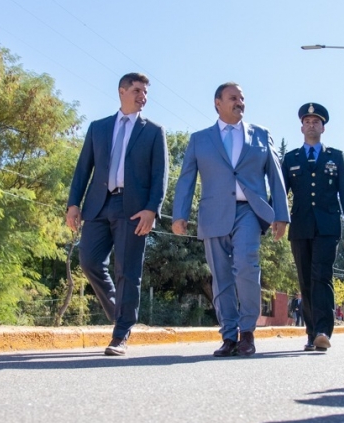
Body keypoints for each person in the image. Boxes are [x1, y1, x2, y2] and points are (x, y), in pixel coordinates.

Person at [172, 82, 289, 358]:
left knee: (246, 265)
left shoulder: (261, 135)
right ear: (218, 103)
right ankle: (229, 336)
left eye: (242, 98)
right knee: (221, 276)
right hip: (213, 213)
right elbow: (187, 178)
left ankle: (247, 331)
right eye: (233, 98)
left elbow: (275, 175)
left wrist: (281, 214)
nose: (240, 102)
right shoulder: (200, 139)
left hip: (249, 210)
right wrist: (180, 214)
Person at [66, 72, 168, 357]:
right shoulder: (98, 128)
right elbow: (82, 168)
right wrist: (73, 203)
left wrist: (152, 209)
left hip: (134, 210)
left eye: (145, 92)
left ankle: (121, 334)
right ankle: (121, 312)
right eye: (137, 90)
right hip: (98, 205)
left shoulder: (153, 131)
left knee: (127, 271)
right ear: (122, 91)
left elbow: (160, 175)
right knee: (89, 261)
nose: (142, 96)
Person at [281, 103, 344, 352]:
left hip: (327, 228)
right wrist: (276, 219)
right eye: (307, 121)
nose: (311, 125)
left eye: (316, 121)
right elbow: (282, 194)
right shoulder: (291, 158)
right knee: (305, 280)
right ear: (301, 127)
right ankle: (311, 332)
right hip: (300, 228)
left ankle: (324, 331)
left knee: (321, 278)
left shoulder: (335, 156)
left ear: (323, 127)